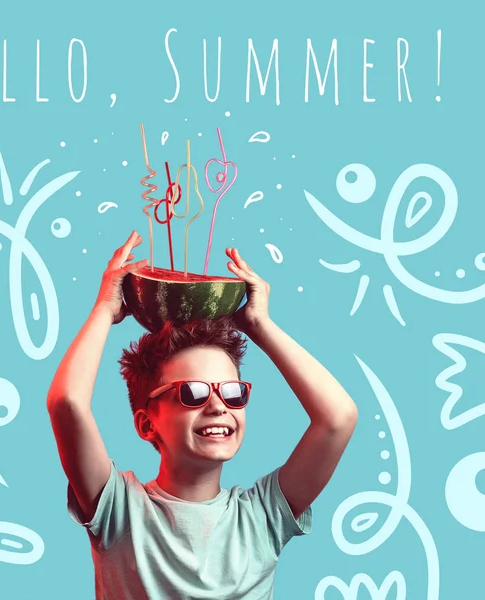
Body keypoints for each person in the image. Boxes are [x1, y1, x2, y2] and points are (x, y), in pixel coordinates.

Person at [47, 230, 358, 600]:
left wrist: (260, 325)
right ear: (147, 424)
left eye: (232, 393)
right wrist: (104, 309)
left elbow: (338, 418)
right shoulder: (119, 511)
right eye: (192, 392)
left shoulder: (262, 516)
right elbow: (67, 402)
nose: (218, 405)